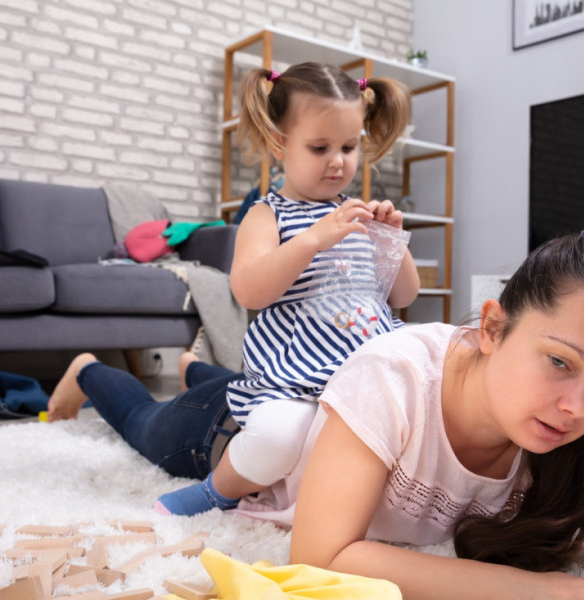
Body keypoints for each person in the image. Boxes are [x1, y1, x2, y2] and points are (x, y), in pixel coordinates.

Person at [48, 61, 419, 519]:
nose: (338, 161)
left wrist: (392, 242)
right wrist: (315, 238)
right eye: (320, 147)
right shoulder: (270, 215)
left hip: (350, 382)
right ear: (278, 143)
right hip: (291, 386)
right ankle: (209, 485)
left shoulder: (358, 216)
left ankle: (192, 368)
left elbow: (403, 295)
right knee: (276, 436)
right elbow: (248, 291)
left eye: (348, 146)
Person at [230, 227, 584, 598]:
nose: (576, 408)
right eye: (559, 362)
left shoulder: (581, 431)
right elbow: (318, 557)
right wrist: (538, 591)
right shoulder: (392, 374)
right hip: (232, 428)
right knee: (177, 422)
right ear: (491, 328)